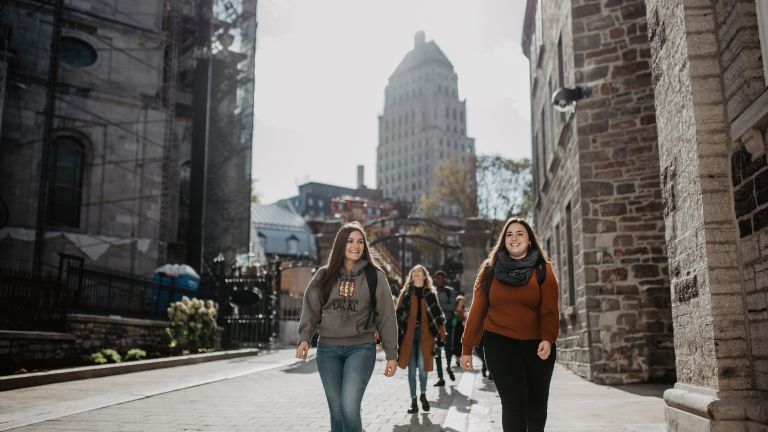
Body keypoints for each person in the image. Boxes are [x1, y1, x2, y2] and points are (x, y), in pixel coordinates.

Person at [296, 222, 399, 432]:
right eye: (350, 241)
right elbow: (311, 309)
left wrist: (392, 353)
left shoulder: (375, 276)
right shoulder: (324, 275)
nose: (356, 245)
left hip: (361, 347)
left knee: (349, 407)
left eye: (360, 241)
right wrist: (305, 338)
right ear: (341, 244)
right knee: (336, 411)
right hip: (327, 350)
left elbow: (387, 316)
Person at [460, 217, 560, 432]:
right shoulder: (489, 270)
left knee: (536, 407)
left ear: (530, 240)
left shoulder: (543, 269)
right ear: (503, 240)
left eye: (520, 234)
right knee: (514, 404)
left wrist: (548, 338)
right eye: (509, 234)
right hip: (499, 343)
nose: (514, 238)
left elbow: (549, 309)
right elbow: (477, 310)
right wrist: (467, 348)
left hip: (537, 346)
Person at [395, 264, 446, 414]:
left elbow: (437, 316)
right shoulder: (406, 293)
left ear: (424, 276)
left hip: (426, 336)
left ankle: (423, 395)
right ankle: (413, 401)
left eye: (419, 272)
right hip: (408, 336)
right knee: (411, 370)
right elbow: (397, 314)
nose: (416, 273)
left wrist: (442, 336)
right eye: (414, 272)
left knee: (423, 369)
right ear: (411, 276)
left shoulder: (430, 293)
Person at [432, 270, 458, 386]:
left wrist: (438, 305)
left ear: (444, 280)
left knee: (448, 349)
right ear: (435, 280)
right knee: (437, 351)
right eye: (438, 279)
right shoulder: (431, 292)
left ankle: (448, 367)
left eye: (441, 278)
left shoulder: (450, 292)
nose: (440, 281)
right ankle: (440, 378)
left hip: (447, 324)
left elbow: (453, 306)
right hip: (435, 325)